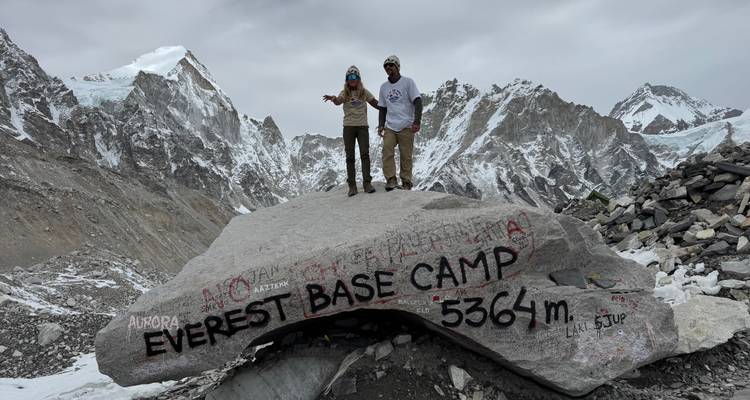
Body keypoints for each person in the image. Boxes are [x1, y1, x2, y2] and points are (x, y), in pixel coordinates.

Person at [323, 65, 380, 196]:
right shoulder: (345, 93)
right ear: (347, 80)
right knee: (350, 157)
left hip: (362, 127)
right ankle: (352, 186)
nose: (352, 79)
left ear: (359, 78)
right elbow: (338, 101)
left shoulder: (364, 92)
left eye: (354, 77)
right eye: (349, 77)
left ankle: (367, 183)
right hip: (348, 126)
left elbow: (375, 103)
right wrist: (333, 99)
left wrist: (387, 107)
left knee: (365, 155)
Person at [377, 55, 422, 191]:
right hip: (390, 126)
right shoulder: (384, 87)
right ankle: (391, 180)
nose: (388, 68)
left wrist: (417, 121)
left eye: (391, 65)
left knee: (406, 155)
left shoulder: (408, 82)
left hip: (406, 125)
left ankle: (406, 182)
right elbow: (382, 108)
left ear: (397, 67)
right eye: (386, 66)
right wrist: (381, 125)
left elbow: (418, 101)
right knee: (387, 150)